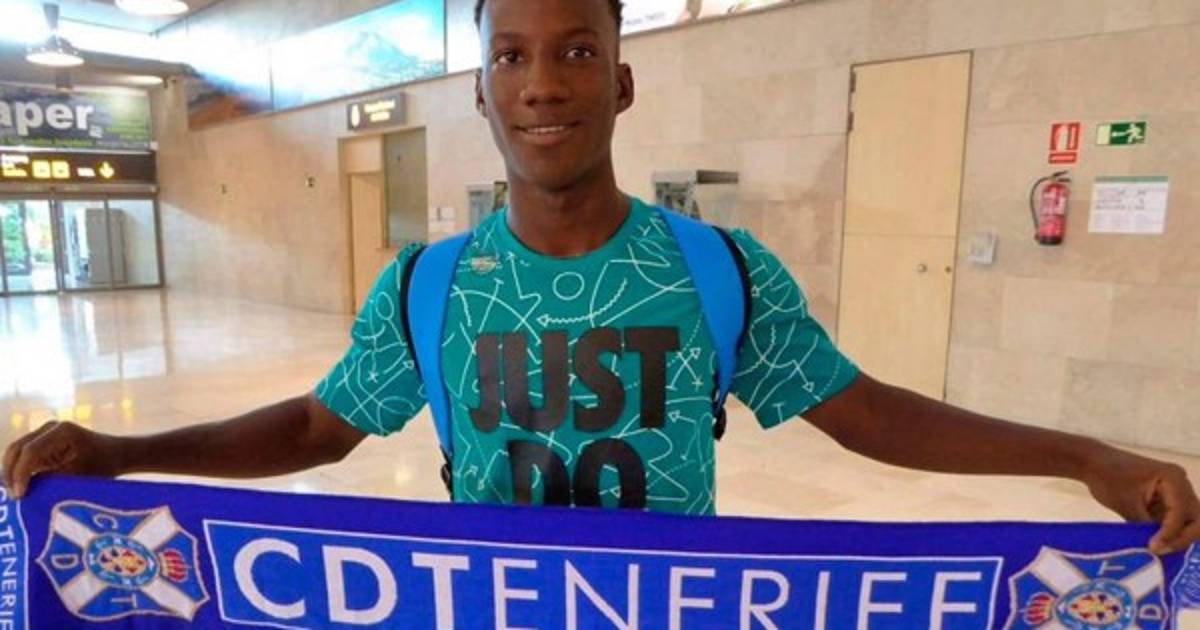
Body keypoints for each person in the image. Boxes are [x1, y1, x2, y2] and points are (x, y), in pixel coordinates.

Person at [5, 0, 1198, 555]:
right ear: (481, 90)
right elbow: (319, 428)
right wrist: (122, 453)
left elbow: (869, 414)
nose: (544, 83)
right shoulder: (428, 286)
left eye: (578, 50)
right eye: (512, 56)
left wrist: (1086, 456)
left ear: (621, 82)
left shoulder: (717, 269)